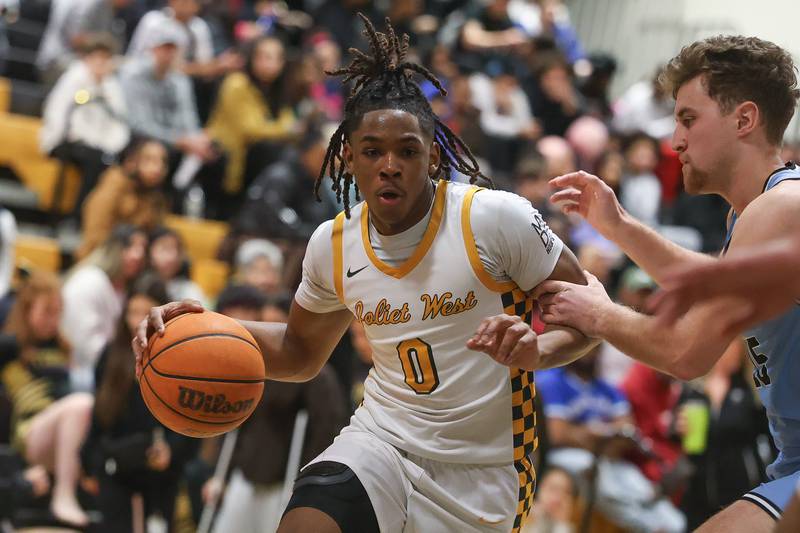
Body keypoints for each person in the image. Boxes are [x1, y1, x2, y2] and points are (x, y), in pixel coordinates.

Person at [134, 14, 596, 533]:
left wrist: (539, 351)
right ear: (348, 159)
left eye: (407, 151)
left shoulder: (494, 219)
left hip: (486, 470)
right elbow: (299, 352)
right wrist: (200, 327)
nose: (389, 165)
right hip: (381, 442)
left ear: (434, 158)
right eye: (372, 152)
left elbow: (589, 317)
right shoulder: (332, 244)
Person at [482, 35, 800, 531]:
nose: (675, 141)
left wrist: (598, 313)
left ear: (744, 120)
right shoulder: (758, 211)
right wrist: (619, 226)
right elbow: (705, 281)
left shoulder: (778, 209)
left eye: (688, 119)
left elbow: (685, 353)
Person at [82, 273, 197, 532]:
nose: (137, 321)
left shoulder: (182, 356)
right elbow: (99, 415)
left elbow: (190, 418)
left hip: (159, 469)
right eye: (132, 312)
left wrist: (172, 450)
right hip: (116, 463)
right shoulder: (111, 354)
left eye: (145, 313)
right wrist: (88, 463)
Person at [0, 270, 93, 526]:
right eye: (46, 312)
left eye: (57, 313)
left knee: (88, 408)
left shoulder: (63, 349)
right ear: (27, 309)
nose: (53, 321)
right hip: (28, 432)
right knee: (81, 404)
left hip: (64, 434)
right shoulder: (9, 347)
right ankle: (63, 496)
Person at [77, 138, 169, 259]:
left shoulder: (157, 198)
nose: (158, 168)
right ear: (131, 162)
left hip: (135, 260)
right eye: (149, 160)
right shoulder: (113, 186)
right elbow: (95, 236)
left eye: (162, 162)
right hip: (101, 258)